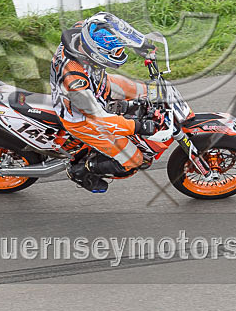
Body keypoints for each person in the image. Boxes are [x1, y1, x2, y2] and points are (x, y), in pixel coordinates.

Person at [50, 12, 158, 192]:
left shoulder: (85, 31)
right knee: (134, 160)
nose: (119, 53)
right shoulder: (74, 80)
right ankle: (81, 171)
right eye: (115, 52)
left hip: (98, 83)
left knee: (148, 92)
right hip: (82, 119)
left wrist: (137, 43)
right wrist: (137, 126)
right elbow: (98, 118)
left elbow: (113, 27)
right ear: (96, 54)